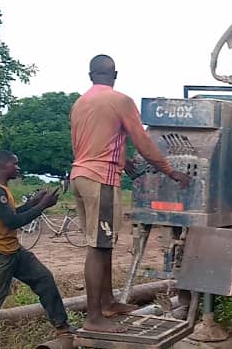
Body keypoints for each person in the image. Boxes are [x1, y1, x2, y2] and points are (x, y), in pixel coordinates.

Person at [70, 54, 190, 333]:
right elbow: (144, 142)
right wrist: (171, 171)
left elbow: (97, 143)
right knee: (98, 247)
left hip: (80, 176)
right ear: (115, 75)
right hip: (101, 179)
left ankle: (108, 302)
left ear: (90, 76)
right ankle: (94, 318)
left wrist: (126, 163)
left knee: (104, 242)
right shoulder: (120, 100)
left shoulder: (80, 103)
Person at [0, 151, 71, 349]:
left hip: (13, 251)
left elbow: (13, 213)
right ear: (3, 166)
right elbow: (12, 221)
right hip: (1, 255)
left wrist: (33, 202)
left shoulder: (4, 191)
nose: (18, 168)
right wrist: (42, 207)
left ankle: (63, 328)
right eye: (15, 164)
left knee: (44, 279)